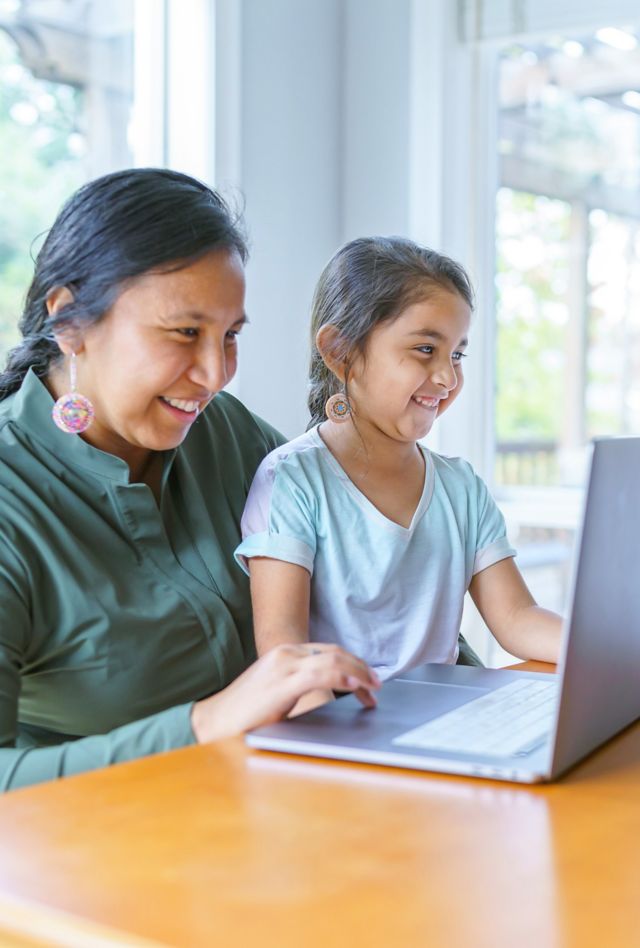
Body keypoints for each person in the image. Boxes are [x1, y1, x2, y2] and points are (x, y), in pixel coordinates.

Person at [0, 168, 381, 792]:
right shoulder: (12, 501)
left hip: (298, 812)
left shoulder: (229, 434)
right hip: (104, 859)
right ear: (69, 322)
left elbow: (379, 578)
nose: (215, 374)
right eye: (185, 333)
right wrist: (206, 723)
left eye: (229, 336)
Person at [236, 237, 563, 713]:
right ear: (340, 351)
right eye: (426, 349)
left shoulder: (461, 488)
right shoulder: (293, 480)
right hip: (343, 729)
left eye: (457, 355)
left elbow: (517, 618)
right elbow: (287, 654)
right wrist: (335, 755)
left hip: (448, 719)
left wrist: (611, 651)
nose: (448, 378)